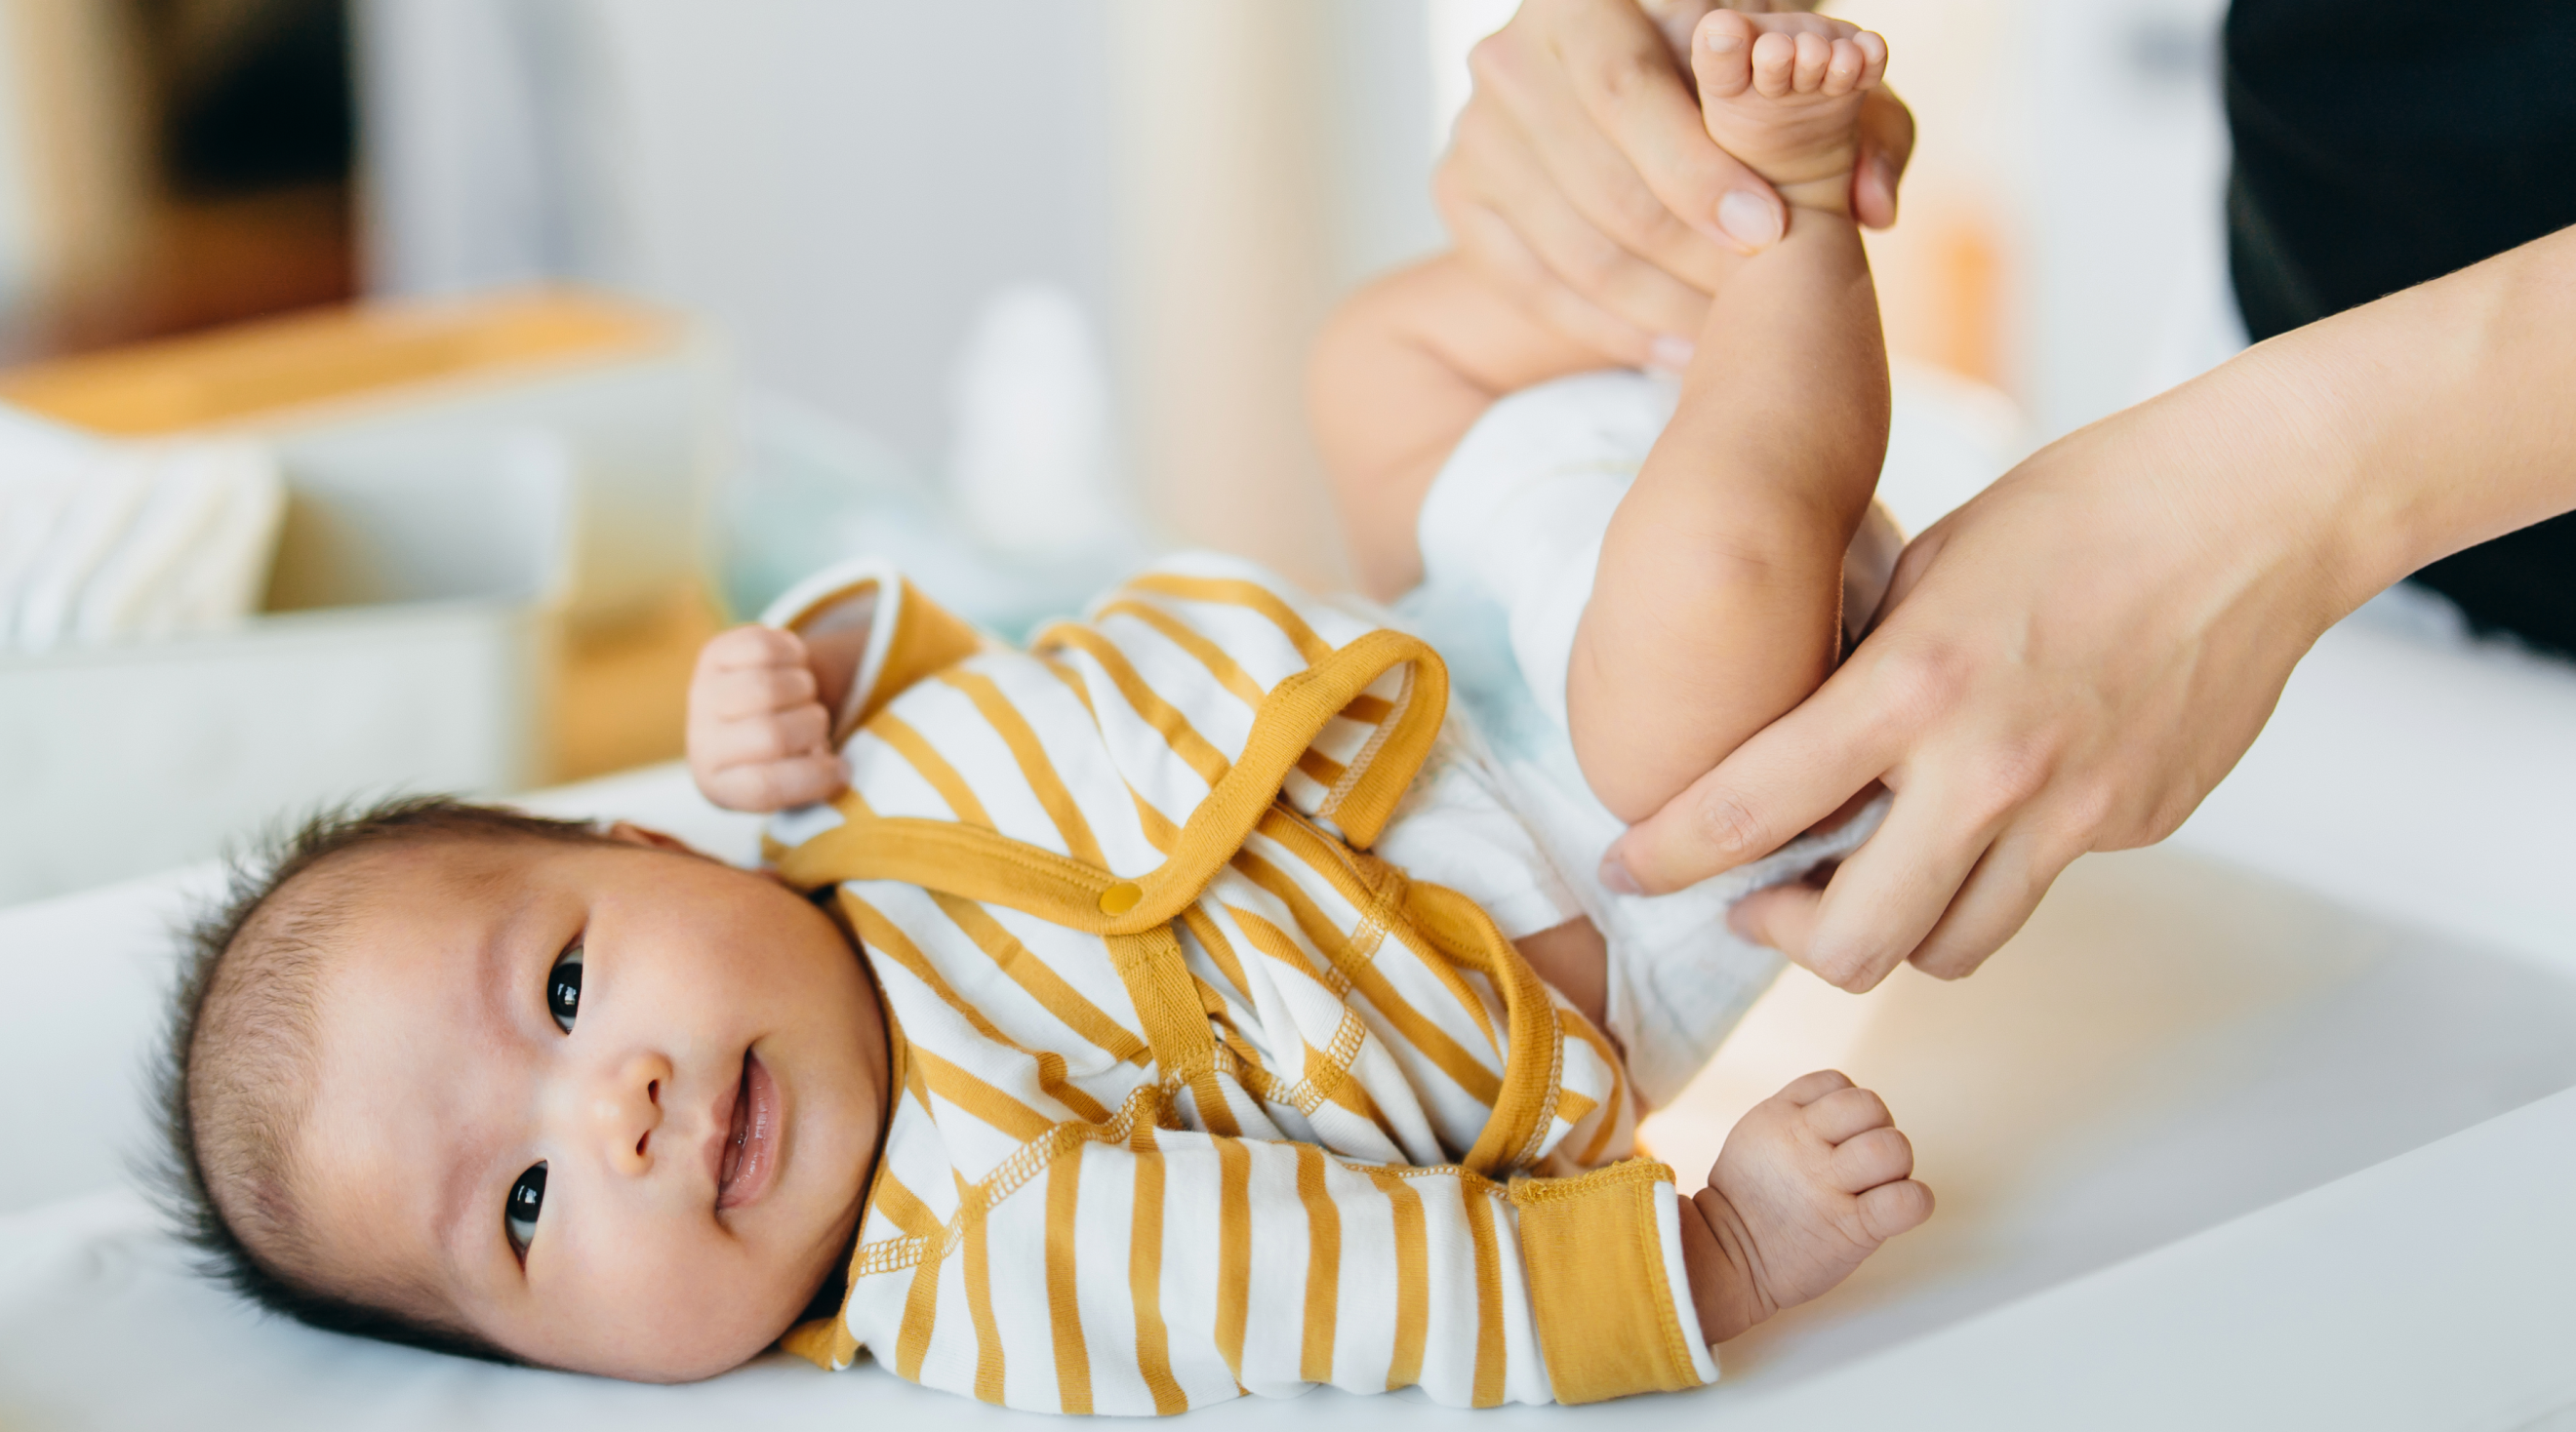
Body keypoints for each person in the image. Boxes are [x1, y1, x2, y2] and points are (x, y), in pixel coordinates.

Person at [154, 17, 1934, 1409]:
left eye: (561, 984)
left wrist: (796, 677)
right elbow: (1365, 1276)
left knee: (1370, 359)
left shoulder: (817, 832)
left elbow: (961, 657)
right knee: (1708, 596)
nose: (611, 1110)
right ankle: (1783, 235)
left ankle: (1689, 287)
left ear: (647, 844)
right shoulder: (991, 1241)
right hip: (1603, 850)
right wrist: (1704, 1256)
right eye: (528, 1208)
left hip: (1436, 634)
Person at [1446, 0, 2576, 993]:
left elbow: (1721, 576)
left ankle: (1796, 221)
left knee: (1687, 667)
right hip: (2320, 321)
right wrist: (1672, 39)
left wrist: (2293, 486)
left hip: (2314, 465)